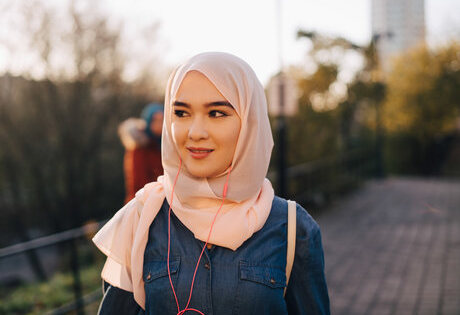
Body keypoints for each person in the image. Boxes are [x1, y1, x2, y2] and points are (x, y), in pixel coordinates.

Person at [93, 52, 330, 314]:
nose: (195, 132)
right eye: (181, 113)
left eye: (216, 113)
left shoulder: (293, 228)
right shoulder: (141, 219)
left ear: (250, 122)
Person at [118, 103, 164, 203]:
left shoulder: (167, 144)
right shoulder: (139, 147)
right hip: (144, 202)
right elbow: (138, 183)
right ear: (148, 121)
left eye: (162, 120)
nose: (159, 124)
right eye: (155, 120)